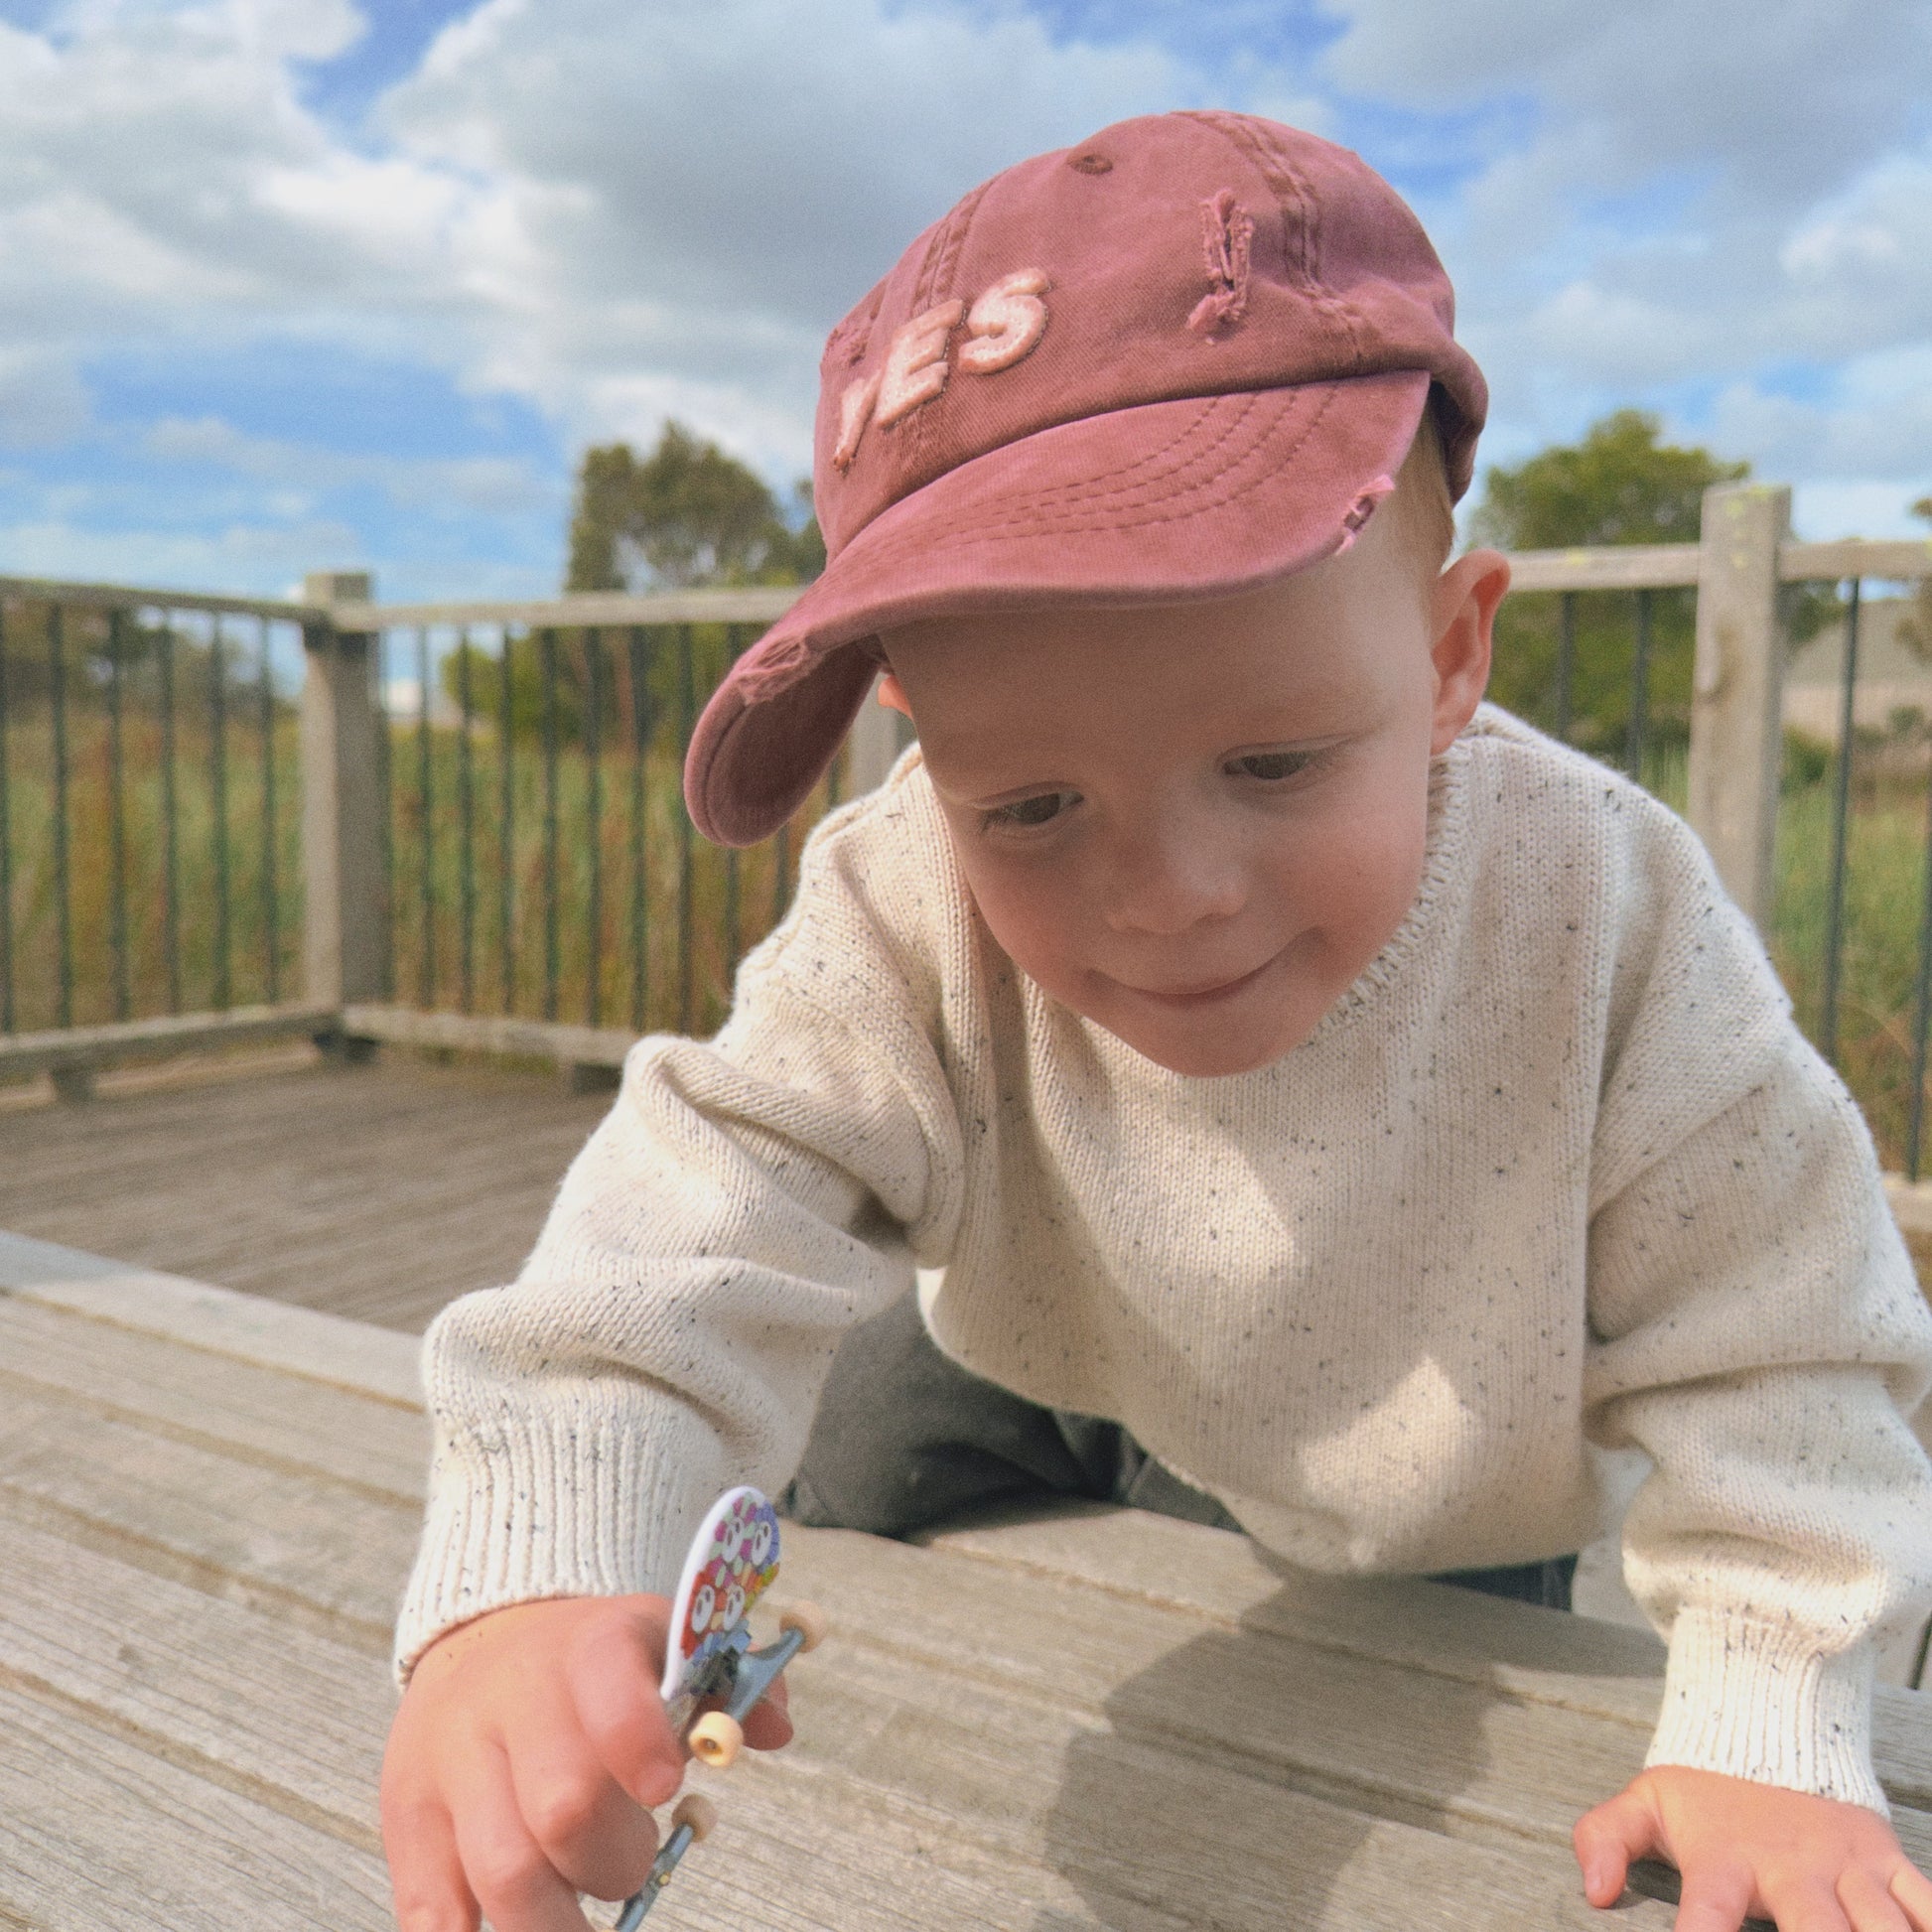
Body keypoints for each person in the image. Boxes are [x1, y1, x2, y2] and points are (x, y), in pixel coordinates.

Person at [380, 111, 1932, 1932]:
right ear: (917, 743)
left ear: (1447, 656)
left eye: (1271, 759)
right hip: (1048, 1345)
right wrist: (538, 1578)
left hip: (1436, 1466)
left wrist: (1767, 1715)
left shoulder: (1604, 912)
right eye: (1028, 806)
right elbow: (699, 1201)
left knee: (1394, 1705)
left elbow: (1784, 1344)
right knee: (836, 1469)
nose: (1168, 890)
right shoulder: (901, 893)